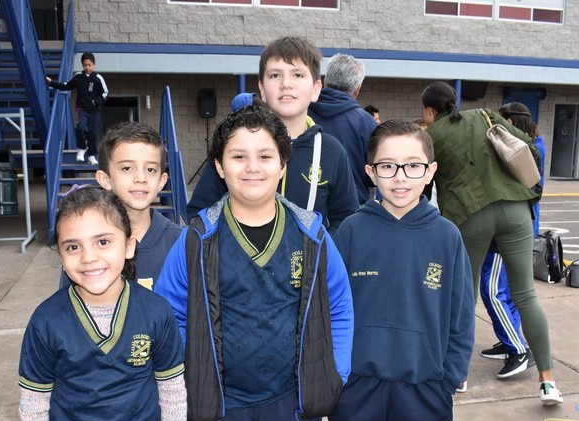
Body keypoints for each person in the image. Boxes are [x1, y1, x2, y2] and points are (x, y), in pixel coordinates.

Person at [155, 105, 353, 421]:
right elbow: (171, 316)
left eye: (265, 156)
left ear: (283, 166)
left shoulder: (312, 234)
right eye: (238, 156)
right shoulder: (196, 239)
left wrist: (334, 372)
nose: (252, 167)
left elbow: (338, 306)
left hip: (291, 404)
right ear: (219, 167)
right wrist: (188, 383)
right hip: (221, 409)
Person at [330, 118, 474, 421]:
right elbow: (330, 308)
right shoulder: (351, 231)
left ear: (430, 172)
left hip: (424, 386)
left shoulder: (446, 236)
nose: (400, 177)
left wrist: (449, 376)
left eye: (413, 166)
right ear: (370, 172)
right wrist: (338, 374)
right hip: (359, 387)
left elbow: (461, 314)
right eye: (387, 166)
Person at [18, 186, 187, 421]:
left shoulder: (156, 311)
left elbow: (171, 386)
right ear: (60, 255)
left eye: (103, 242)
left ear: (129, 245)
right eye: (73, 247)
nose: (88, 257)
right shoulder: (46, 320)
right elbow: (34, 401)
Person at [421, 81, 563, 405]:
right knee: (525, 295)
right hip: (516, 209)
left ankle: (459, 375)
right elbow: (527, 145)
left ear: (429, 110)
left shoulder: (432, 137)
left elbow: (424, 186)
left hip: (469, 215)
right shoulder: (484, 115)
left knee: (465, 298)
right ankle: (548, 382)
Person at [186, 36, 359, 237]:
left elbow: (345, 219)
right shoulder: (234, 144)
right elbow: (198, 212)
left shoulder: (331, 151)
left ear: (316, 89)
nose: (286, 84)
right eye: (275, 75)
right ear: (262, 89)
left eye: (298, 75)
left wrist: (319, 250)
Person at [478, 103, 545, 377]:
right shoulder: (533, 144)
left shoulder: (522, 148)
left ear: (511, 121)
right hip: (518, 229)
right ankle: (510, 341)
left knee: (492, 290)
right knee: (509, 291)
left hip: (507, 233)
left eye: (501, 120)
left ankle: (517, 349)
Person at [94, 121, 183, 290]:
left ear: (161, 181)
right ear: (105, 179)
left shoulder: (181, 242)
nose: (141, 178)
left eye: (150, 170)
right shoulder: (88, 242)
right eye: (127, 168)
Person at [308, 53, 379, 203]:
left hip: (307, 205)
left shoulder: (302, 113)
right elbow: (373, 176)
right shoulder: (366, 122)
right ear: (358, 88)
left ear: (325, 81)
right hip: (352, 205)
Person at [46, 52, 109, 166]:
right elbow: (66, 85)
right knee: (80, 128)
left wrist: (96, 101)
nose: (87, 67)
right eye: (85, 65)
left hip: (94, 111)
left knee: (93, 133)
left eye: (89, 65)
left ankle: (91, 155)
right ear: (82, 65)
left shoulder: (98, 78)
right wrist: (52, 83)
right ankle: (82, 148)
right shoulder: (78, 76)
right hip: (81, 109)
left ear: (94, 64)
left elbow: (105, 93)